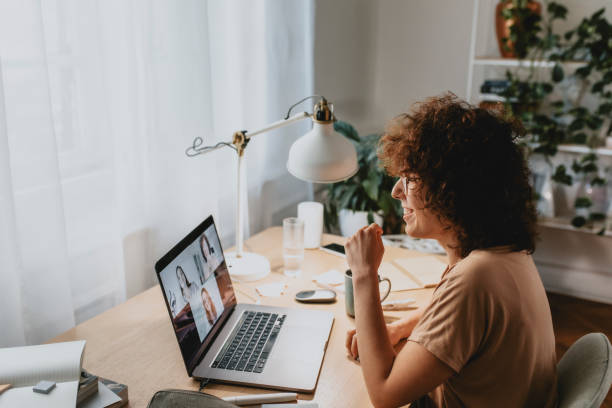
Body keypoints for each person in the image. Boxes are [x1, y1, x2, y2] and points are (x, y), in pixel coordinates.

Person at [344, 94, 557, 407]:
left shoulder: (474, 279)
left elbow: (385, 394)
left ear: (451, 189)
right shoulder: (505, 254)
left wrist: (364, 274)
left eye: (410, 178)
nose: (396, 191)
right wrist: (401, 328)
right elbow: (460, 319)